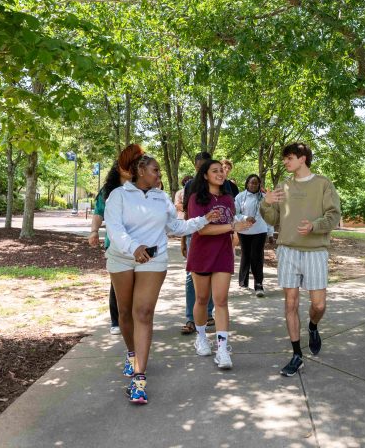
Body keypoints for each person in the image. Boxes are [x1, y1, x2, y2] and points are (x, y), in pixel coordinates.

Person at [104, 144, 219, 404]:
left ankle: (139, 378)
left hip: (153, 259)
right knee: (125, 312)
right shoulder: (118, 196)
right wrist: (134, 248)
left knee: (143, 312)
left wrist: (203, 220)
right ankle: (132, 352)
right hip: (122, 258)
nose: (159, 175)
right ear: (140, 171)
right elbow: (115, 230)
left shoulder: (160, 198)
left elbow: (176, 225)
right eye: (155, 170)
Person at [260, 143, 341, 377]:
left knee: (318, 305)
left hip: (316, 250)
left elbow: (333, 215)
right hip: (287, 250)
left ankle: (313, 326)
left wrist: (315, 226)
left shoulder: (323, 184)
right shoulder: (283, 185)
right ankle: (297, 354)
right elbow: (272, 217)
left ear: (303, 159)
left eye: (290, 158)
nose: (285, 162)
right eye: (285, 158)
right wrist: (266, 203)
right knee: (290, 303)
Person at [186, 159, 253, 370]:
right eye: (214, 171)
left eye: (221, 170)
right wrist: (231, 226)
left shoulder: (228, 198)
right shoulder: (196, 198)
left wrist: (240, 226)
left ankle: (222, 349)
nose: (220, 173)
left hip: (223, 253)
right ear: (205, 175)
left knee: (221, 300)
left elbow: (230, 225)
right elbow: (202, 230)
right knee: (202, 299)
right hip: (201, 253)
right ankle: (202, 337)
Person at [87, 161, 132, 336]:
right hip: (115, 244)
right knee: (117, 284)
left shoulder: (140, 189)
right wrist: (93, 231)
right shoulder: (108, 191)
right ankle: (116, 321)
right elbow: (99, 213)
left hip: (139, 244)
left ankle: (132, 320)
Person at [181, 152, 216, 334]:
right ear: (196, 167)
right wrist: (183, 241)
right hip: (193, 234)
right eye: (200, 165)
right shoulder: (190, 186)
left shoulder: (220, 183)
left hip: (215, 237)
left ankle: (208, 312)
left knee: (211, 275)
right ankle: (190, 318)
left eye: (206, 165)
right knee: (191, 277)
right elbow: (187, 214)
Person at [234, 174, 269, 297]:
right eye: (251, 182)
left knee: (256, 256)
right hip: (244, 230)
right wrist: (244, 218)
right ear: (247, 183)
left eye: (256, 183)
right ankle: (243, 282)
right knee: (246, 254)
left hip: (260, 230)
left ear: (259, 184)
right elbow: (235, 213)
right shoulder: (240, 197)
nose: (253, 185)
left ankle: (258, 284)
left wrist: (270, 230)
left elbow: (269, 215)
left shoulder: (264, 197)